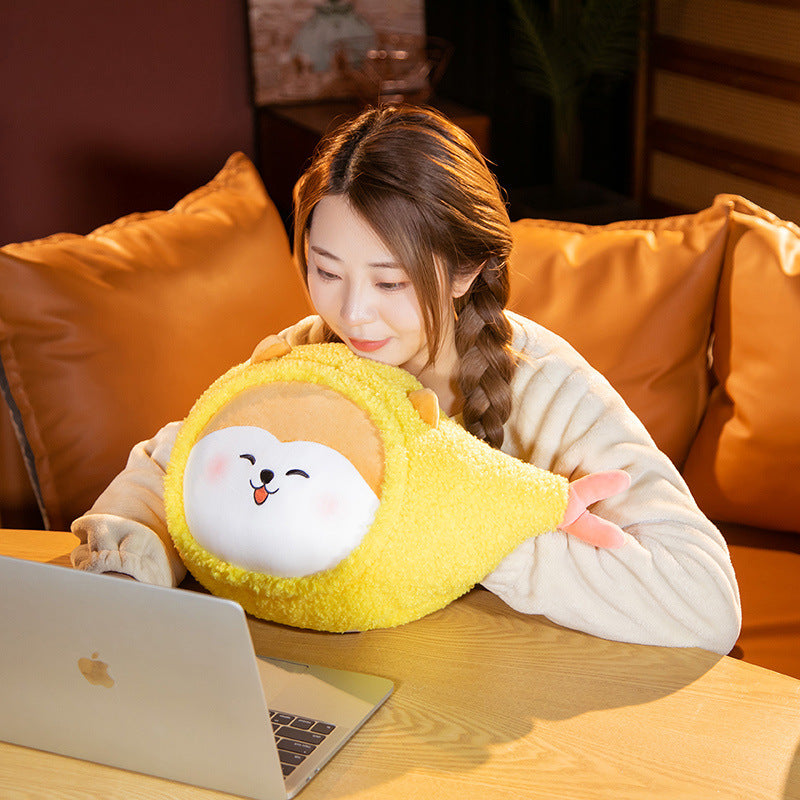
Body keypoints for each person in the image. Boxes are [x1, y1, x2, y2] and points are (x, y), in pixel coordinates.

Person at [71, 105, 741, 655]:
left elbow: (703, 599)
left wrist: (468, 523)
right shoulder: (307, 354)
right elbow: (174, 465)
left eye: (390, 281)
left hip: (493, 706)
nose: (352, 313)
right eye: (327, 272)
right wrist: (142, 552)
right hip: (348, 673)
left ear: (465, 269)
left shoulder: (546, 387)